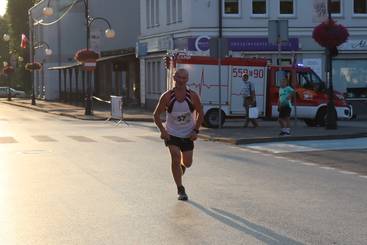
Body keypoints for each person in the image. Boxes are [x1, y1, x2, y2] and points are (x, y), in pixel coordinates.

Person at [153, 68, 204, 201]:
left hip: (188, 134)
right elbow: (156, 115)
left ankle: (181, 167)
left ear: (187, 80)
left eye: (184, 78)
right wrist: (163, 131)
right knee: (175, 157)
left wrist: (195, 131)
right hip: (172, 134)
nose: (181, 80)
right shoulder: (167, 96)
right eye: (179, 77)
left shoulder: (193, 96)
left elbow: (201, 114)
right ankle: (180, 189)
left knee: (187, 163)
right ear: (174, 78)